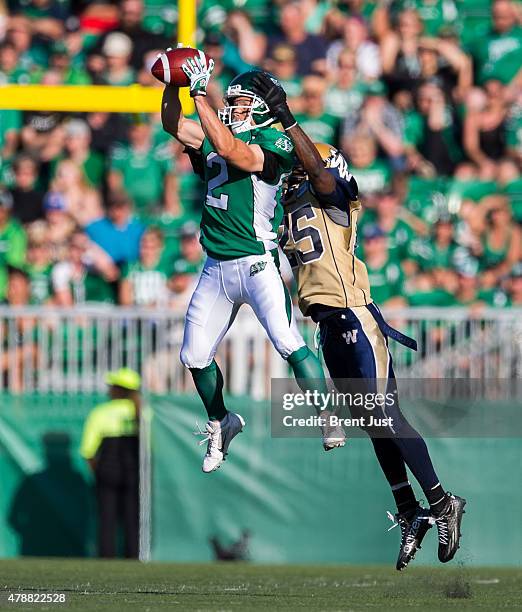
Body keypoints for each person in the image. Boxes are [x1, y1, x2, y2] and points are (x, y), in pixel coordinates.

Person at [251, 71, 466, 570]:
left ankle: (440, 501)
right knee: (371, 422)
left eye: (302, 167)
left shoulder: (334, 191)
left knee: (383, 414)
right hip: (327, 324)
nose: (296, 174)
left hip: (353, 314)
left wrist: (287, 118)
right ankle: (410, 508)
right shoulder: (288, 202)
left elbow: (323, 176)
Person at [160, 51, 328, 473]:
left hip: (257, 262)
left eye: (239, 102)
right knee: (194, 356)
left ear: (262, 109)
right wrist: (172, 85)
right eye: (229, 102)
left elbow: (233, 151)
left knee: (289, 343)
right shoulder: (217, 135)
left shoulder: (273, 144)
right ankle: (221, 420)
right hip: (216, 266)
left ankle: (328, 415)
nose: (232, 108)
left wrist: (200, 93)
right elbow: (172, 125)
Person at [80, 368, 141, 558]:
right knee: (133, 517)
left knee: (107, 518)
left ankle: (106, 557)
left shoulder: (100, 413)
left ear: (117, 389)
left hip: (107, 470)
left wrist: (98, 472)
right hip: (135, 471)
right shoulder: (144, 412)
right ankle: (134, 556)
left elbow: (88, 450)